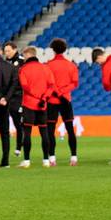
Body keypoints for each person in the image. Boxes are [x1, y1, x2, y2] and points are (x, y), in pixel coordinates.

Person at [15, 46, 54, 168]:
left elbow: (25, 86)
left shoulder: (23, 69)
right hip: (42, 105)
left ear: (27, 55)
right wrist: (43, 98)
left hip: (29, 104)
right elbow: (51, 86)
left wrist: (36, 96)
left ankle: (26, 161)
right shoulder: (46, 68)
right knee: (44, 132)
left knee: (27, 133)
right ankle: (46, 160)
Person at [47, 38, 80, 166]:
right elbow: (75, 83)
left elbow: (49, 82)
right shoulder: (71, 65)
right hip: (66, 100)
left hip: (52, 100)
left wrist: (57, 91)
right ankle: (74, 157)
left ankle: (52, 158)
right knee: (70, 129)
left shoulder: (48, 65)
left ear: (53, 50)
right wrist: (63, 92)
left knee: (50, 129)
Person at [2, 41, 25, 156]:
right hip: (8, 96)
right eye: (5, 51)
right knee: (10, 122)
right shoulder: (7, 62)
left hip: (18, 96)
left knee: (19, 123)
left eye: (8, 51)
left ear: (15, 49)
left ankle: (19, 147)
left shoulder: (21, 61)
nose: (7, 53)